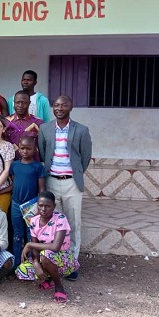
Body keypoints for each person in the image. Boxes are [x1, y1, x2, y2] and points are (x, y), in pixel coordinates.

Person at [38, 95, 92, 275]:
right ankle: (55, 261)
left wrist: (73, 175)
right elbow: (43, 152)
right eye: (57, 105)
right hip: (51, 181)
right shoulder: (45, 128)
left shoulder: (82, 130)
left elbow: (85, 157)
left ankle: (71, 264)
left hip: (72, 183)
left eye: (64, 105)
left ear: (71, 107)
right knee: (54, 224)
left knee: (73, 223)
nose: (59, 108)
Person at [15, 191, 80, 304]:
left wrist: (29, 244)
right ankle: (50, 279)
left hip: (63, 258)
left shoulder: (60, 219)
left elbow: (55, 247)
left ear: (54, 206)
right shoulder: (34, 221)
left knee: (45, 255)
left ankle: (59, 286)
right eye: (40, 206)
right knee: (22, 270)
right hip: (43, 256)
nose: (43, 209)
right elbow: (36, 248)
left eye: (47, 206)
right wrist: (35, 263)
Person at [10, 136, 47, 268]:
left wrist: (39, 206)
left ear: (35, 150)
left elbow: (42, 188)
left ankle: (31, 264)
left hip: (31, 205)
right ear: (19, 148)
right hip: (15, 204)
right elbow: (14, 183)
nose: (25, 151)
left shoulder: (38, 167)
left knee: (30, 234)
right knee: (17, 234)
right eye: (22, 148)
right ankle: (16, 265)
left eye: (28, 149)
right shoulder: (14, 165)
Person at [5, 90, 44, 161]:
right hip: (10, 165)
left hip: (32, 166)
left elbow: (43, 147)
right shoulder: (5, 122)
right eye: (17, 102)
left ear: (29, 103)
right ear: (14, 103)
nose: (20, 105)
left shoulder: (38, 123)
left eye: (24, 103)